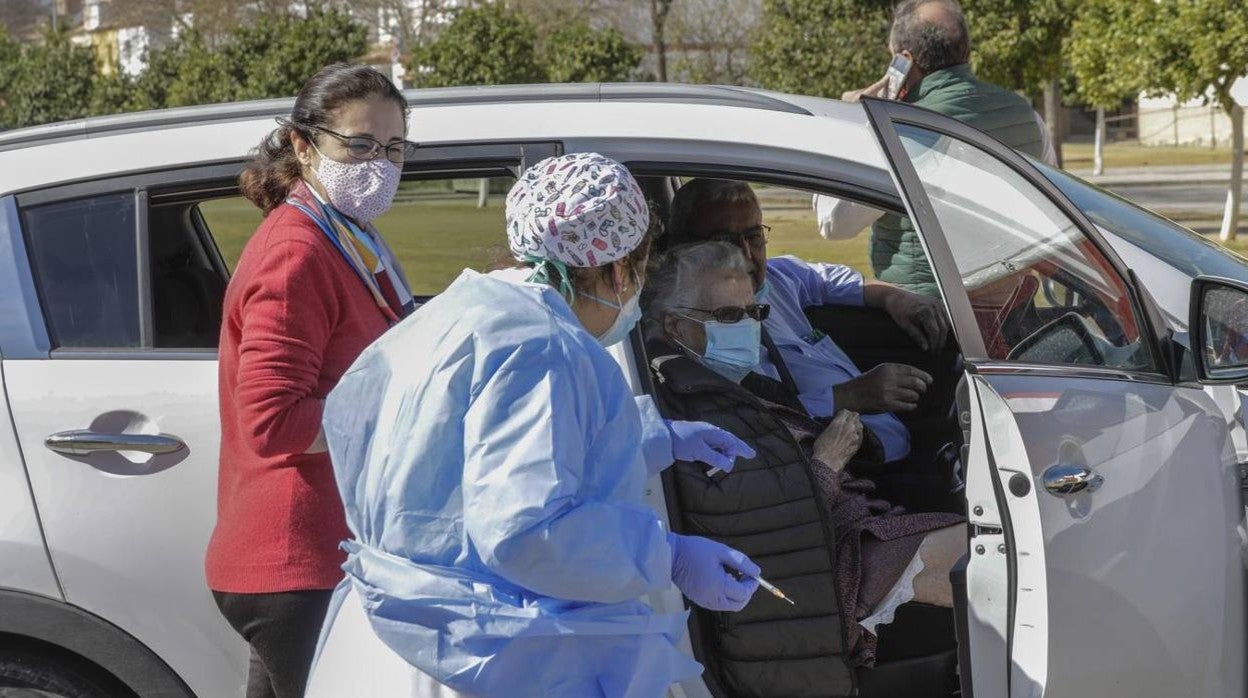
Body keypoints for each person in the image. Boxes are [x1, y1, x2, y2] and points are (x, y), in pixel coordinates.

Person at [311, 153, 761, 697]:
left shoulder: (474, 308)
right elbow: (526, 530)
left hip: (423, 630)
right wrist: (669, 556)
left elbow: (465, 461)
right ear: (618, 269)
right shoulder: (543, 348)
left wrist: (650, 440)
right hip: (498, 650)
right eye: (640, 272)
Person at [641, 240, 964, 677]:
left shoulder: (729, 383)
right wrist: (827, 463)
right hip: (829, 569)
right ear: (676, 327)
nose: (746, 330)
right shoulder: (693, 402)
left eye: (754, 314)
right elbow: (750, 522)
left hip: (845, 532)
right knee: (999, 556)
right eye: (729, 318)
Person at [205, 63, 417, 698]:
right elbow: (273, 422)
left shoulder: (345, 233)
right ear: (304, 144)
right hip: (300, 556)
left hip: (310, 555)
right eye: (359, 145)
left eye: (394, 147)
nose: (379, 163)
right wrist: (408, 406)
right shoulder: (298, 250)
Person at [664, 179, 947, 464]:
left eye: (753, 236)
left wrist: (894, 297)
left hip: (885, 451)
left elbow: (833, 279)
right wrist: (846, 397)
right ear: (685, 247)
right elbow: (752, 421)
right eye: (724, 243)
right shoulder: (688, 324)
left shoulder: (779, 277)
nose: (747, 256)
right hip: (833, 469)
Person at [818, 0, 1054, 296]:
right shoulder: (1027, 116)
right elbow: (1052, 212)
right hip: (1010, 313)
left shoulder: (895, 133)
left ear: (904, 59)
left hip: (927, 318)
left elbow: (835, 224)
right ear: (966, 52)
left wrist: (845, 126)